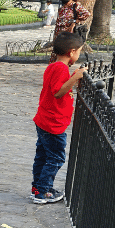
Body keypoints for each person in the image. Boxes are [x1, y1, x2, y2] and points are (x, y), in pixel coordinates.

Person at [31, 31, 86, 204]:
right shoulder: (60, 68)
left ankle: (38, 187)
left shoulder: (54, 66)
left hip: (45, 120)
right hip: (52, 123)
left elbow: (57, 87)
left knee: (42, 156)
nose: (78, 55)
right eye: (79, 52)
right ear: (71, 52)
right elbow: (58, 92)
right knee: (55, 158)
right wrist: (76, 77)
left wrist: (72, 77)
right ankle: (43, 192)